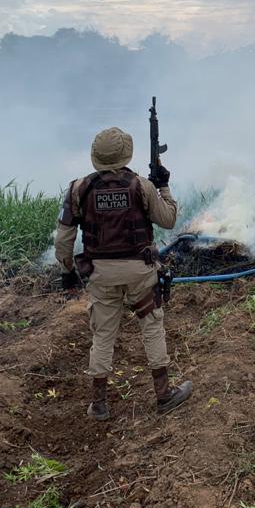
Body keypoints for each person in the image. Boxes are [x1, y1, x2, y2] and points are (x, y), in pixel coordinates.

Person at [55, 127, 192, 420]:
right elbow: (168, 220)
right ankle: (164, 394)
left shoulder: (78, 189)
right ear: (125, 154)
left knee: (103, 334)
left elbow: (63, 240)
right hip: (140, 272)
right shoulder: (140, 186)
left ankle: (99, 404)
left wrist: (67, 271)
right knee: (152, 327)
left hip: (101, 275)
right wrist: (163, 186)